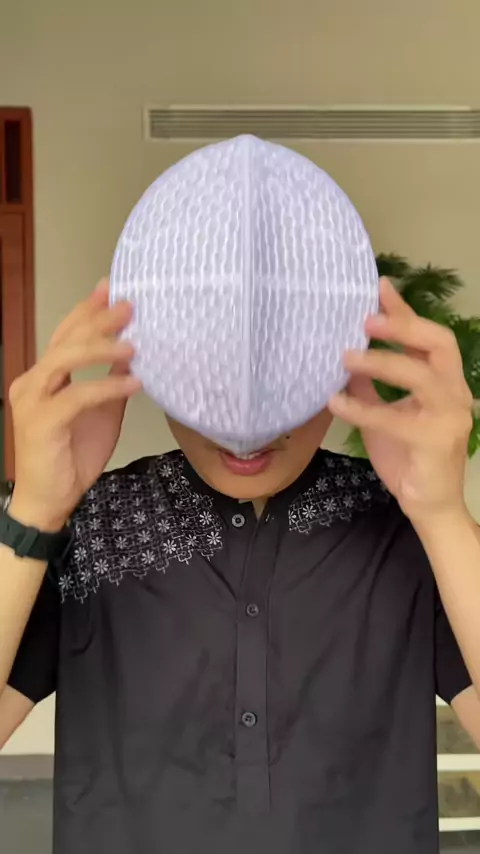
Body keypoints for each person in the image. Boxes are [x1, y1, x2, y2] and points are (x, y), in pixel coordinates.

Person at [0, 276, 479, 854]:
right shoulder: (96, 525)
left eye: (285, 380)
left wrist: (443, 516)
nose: (247, 429)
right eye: (211, 380)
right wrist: (35, 512)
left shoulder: (399, 527)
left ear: (341, 366)